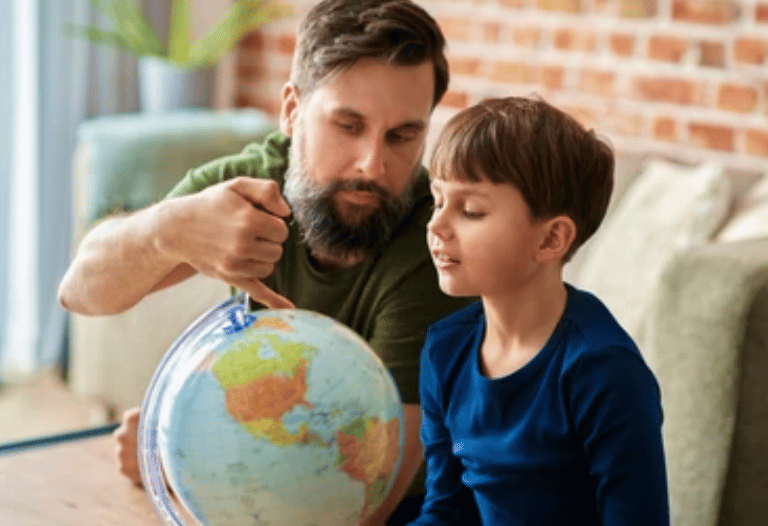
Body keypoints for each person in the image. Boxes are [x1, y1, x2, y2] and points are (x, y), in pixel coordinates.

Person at [57, 1, 477, 524]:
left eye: (402, 136)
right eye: (348, 125)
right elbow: (81, 292)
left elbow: (371, 495)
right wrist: (166, 230)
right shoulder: (255, 181)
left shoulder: (436, 248)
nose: (373, 165)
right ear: (291, 111)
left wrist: (179, 460)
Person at [408, 96, 670, 525]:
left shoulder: (604, 372)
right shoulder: (445, 349)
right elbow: (446, 508)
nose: (436, 225)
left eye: (470, 210)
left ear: (551, 241)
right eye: (438, 201)